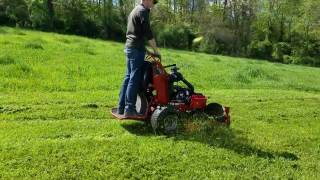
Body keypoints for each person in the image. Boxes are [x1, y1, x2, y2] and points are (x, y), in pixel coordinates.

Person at [117, 0, 160, 118]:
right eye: (153, 1)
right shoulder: (142, 11)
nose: (153, 4)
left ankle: (121, 108)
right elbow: (148, 33)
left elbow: (136, 34)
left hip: (130, 48)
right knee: (134, 79)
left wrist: (147, 51)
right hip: (136, 50)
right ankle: (130, 108)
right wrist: (156, 51)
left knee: (128, 78)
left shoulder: (134, 10)